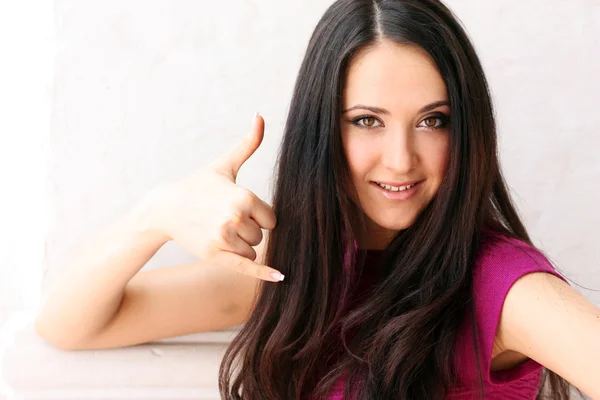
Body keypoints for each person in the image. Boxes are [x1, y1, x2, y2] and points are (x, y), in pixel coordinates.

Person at [34, 0, 600, 399]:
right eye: (367, 121)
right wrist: (156, 214)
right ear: (323, 129)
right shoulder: (297, 273)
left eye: (433, 120)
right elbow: (70, 324)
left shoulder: (504, 289)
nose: (401, 159)